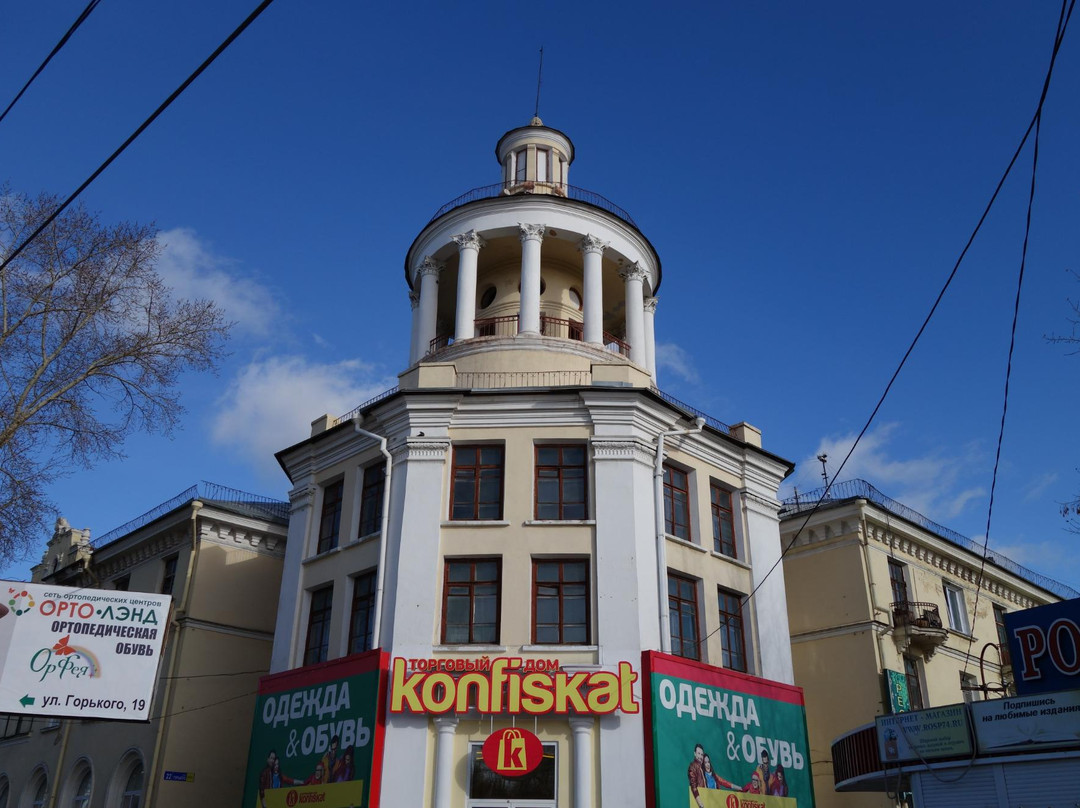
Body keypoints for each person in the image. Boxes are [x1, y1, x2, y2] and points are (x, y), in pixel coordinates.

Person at [687, 743, 707, 808]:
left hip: (706, 800)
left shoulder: (702, 768)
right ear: (695, 754)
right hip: (698, 803)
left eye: (702, 754)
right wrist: (700, 805)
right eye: (698, 753)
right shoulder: (692, 767)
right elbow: (693, 786)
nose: (700, 756)